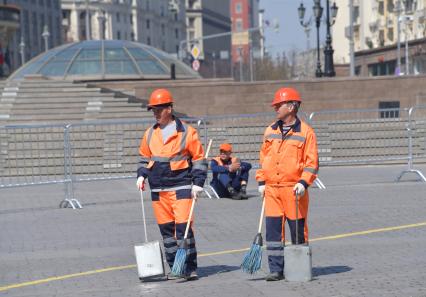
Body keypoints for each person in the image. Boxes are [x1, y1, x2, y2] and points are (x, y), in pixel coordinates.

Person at [136, 88, 207, 281]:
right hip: (158, 190)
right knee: (167, 232)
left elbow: (199, 158)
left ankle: (190, 267)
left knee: (183, 229)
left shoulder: (187, 132)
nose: (156, 113)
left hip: (181, 187)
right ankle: (176, 266)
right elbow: (144, 157)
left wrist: (198, 183)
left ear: (169, 108)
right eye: (153, 110)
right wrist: (141, 175)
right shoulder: (150, 134)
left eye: (159, 109)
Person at [256, 87, 318, 281]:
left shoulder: (306, 132)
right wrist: (261, 180)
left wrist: (303, 182)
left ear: (291, 107)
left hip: (294, 190)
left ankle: (299, 267)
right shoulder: (270, 130)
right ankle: (276, 269)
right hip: (273, 189)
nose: (275, 108)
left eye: (279, 104)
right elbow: (263, 157)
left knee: (297, 230)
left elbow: (312, 163)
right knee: (273, 231)